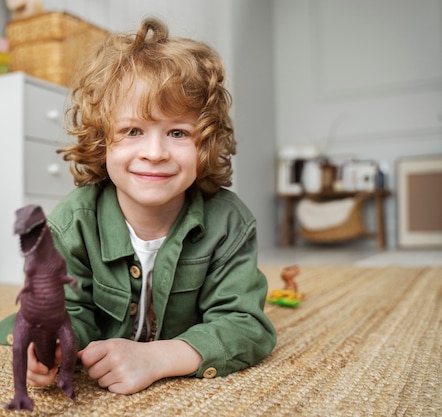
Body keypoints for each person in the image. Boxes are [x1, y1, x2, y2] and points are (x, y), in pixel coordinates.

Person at [21, 17, 276, 395]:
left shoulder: (229, 222)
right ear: (101, 139)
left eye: (177, 133)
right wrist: (54, 345)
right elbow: (68, 309)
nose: (155, 153)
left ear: (204, 142)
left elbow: (246, 325)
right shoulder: (71, 222)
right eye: (132, 131)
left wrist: (160, 358)